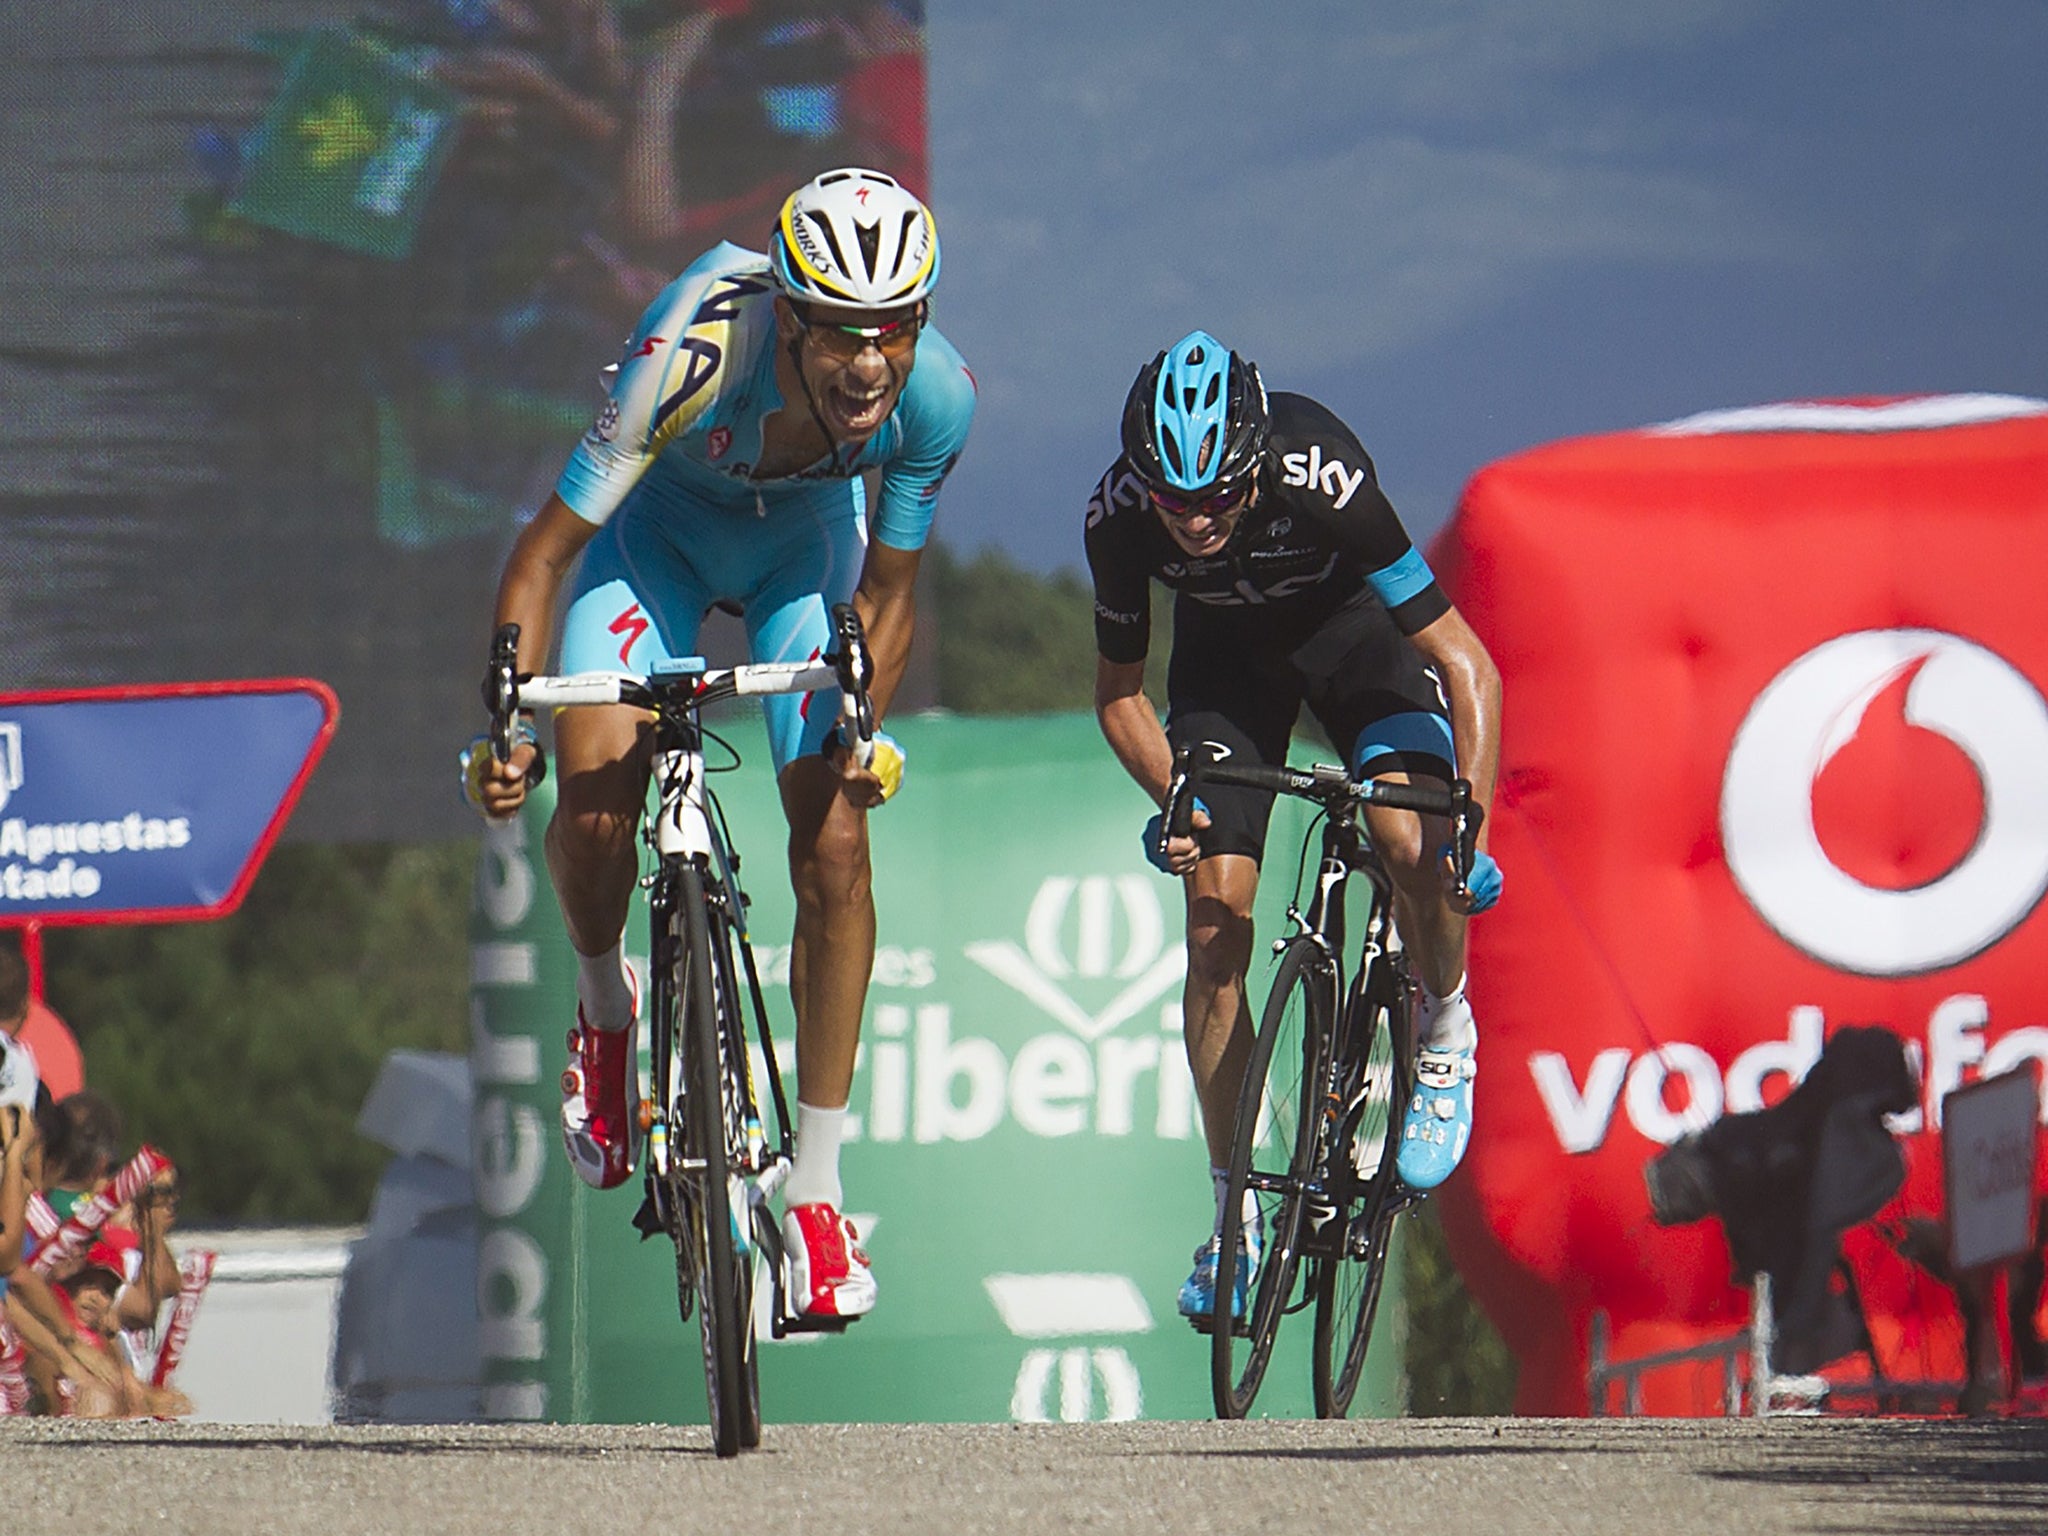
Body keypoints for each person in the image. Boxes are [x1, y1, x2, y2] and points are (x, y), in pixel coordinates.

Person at [472, 166, 974, 1321]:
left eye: (893, 331)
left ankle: (816, 1189)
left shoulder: (934, 397)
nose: (867, 365)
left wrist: (860, 733)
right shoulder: (693, 346)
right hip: (653, 549)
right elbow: (544, 552)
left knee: (836, 845)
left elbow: (889, 598)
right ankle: (605, 1015)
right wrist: (507, 725)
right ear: (787, 318)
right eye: (841, 333)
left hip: (801, 560)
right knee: (596, 801)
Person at [1087, 331, 1503, 1322]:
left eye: (1218, 499)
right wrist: (1173, 801)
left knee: (1410, 845)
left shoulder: (1320, 469)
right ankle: (1232, 1222)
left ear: (1253, 463)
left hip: (1356, 645)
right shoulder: (1116, 516)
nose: (1193, 523)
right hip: (1226, 674)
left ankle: (1441, 1027)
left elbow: (1463, 664)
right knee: (1210, 930)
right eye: (1172, 502)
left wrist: (1468, 831)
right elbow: (1117, 698)